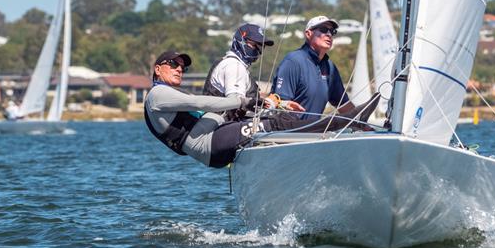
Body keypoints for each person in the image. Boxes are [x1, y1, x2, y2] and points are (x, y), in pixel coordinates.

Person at [144, 50, 379, 168]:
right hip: (210, 145)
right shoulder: (158, 95)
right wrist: (241, 102)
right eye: (173, 64)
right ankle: (348, 121)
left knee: (275, 119)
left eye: (182, 67)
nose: (179, 69)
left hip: (213, 137)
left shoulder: (169, 95)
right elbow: (200, 103)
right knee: (275, 124)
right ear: (157, 69)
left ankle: (332, 132)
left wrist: (269, 103)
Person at [203, 23, 304, 120]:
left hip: (225, 125)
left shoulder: (231, 63)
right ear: (240, 40)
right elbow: (236, 106)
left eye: (260, 46)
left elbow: (246, 105)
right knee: (282, 123)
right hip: (220, 127)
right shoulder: (234, 66)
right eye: (253, 45)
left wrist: (281, 105)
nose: (258, 50)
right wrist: (271, 103)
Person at [272, 15, 358, 119]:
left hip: (314, 129)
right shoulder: (293, 61)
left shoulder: (330, 67)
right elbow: (279, 104)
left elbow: (343, 104)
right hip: (289, 129)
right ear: (308, 34)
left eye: (332, 31)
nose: (329, 34)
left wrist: (362, 122)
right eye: (323, 30)